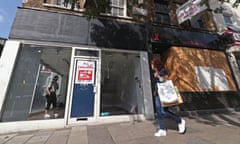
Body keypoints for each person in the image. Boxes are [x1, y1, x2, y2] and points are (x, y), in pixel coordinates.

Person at [151, 58, 186, 137]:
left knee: (163, 111)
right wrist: (154, 91)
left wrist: (159, 76)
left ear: (156, 64)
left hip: (164, 94)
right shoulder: (154, 72)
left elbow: (165, 80)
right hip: (157, 95)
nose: (151, 65)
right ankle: (162, 129)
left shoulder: (163, 71)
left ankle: (180, 120)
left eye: (152, 64)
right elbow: (156, 84)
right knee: (159, 112)